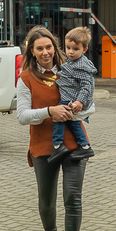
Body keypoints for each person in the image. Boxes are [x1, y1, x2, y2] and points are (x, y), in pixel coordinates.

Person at [16, 26, 92, 231]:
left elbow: (90, 104)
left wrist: (77, 108)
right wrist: (50, 111)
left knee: (73, 198)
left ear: (55, 47)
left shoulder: (70, 68)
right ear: (32, 51)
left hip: (73, 144)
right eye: (40, 48)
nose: (46, 52)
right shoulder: (25, 78)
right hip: (42, 146)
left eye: (49, 47)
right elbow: (22, 116)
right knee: (46, 202)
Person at [48, 26, 97, 164]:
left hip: (71, 99)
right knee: (74, 122)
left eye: (75, 49)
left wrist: (79, 102)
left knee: (59, 117)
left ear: (84, 49)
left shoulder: (81, 65)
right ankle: (85, 146)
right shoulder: (72, 61)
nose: (70, 52)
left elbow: (87, 86)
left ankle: (57, 145)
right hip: (70, 97)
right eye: (68, 48)